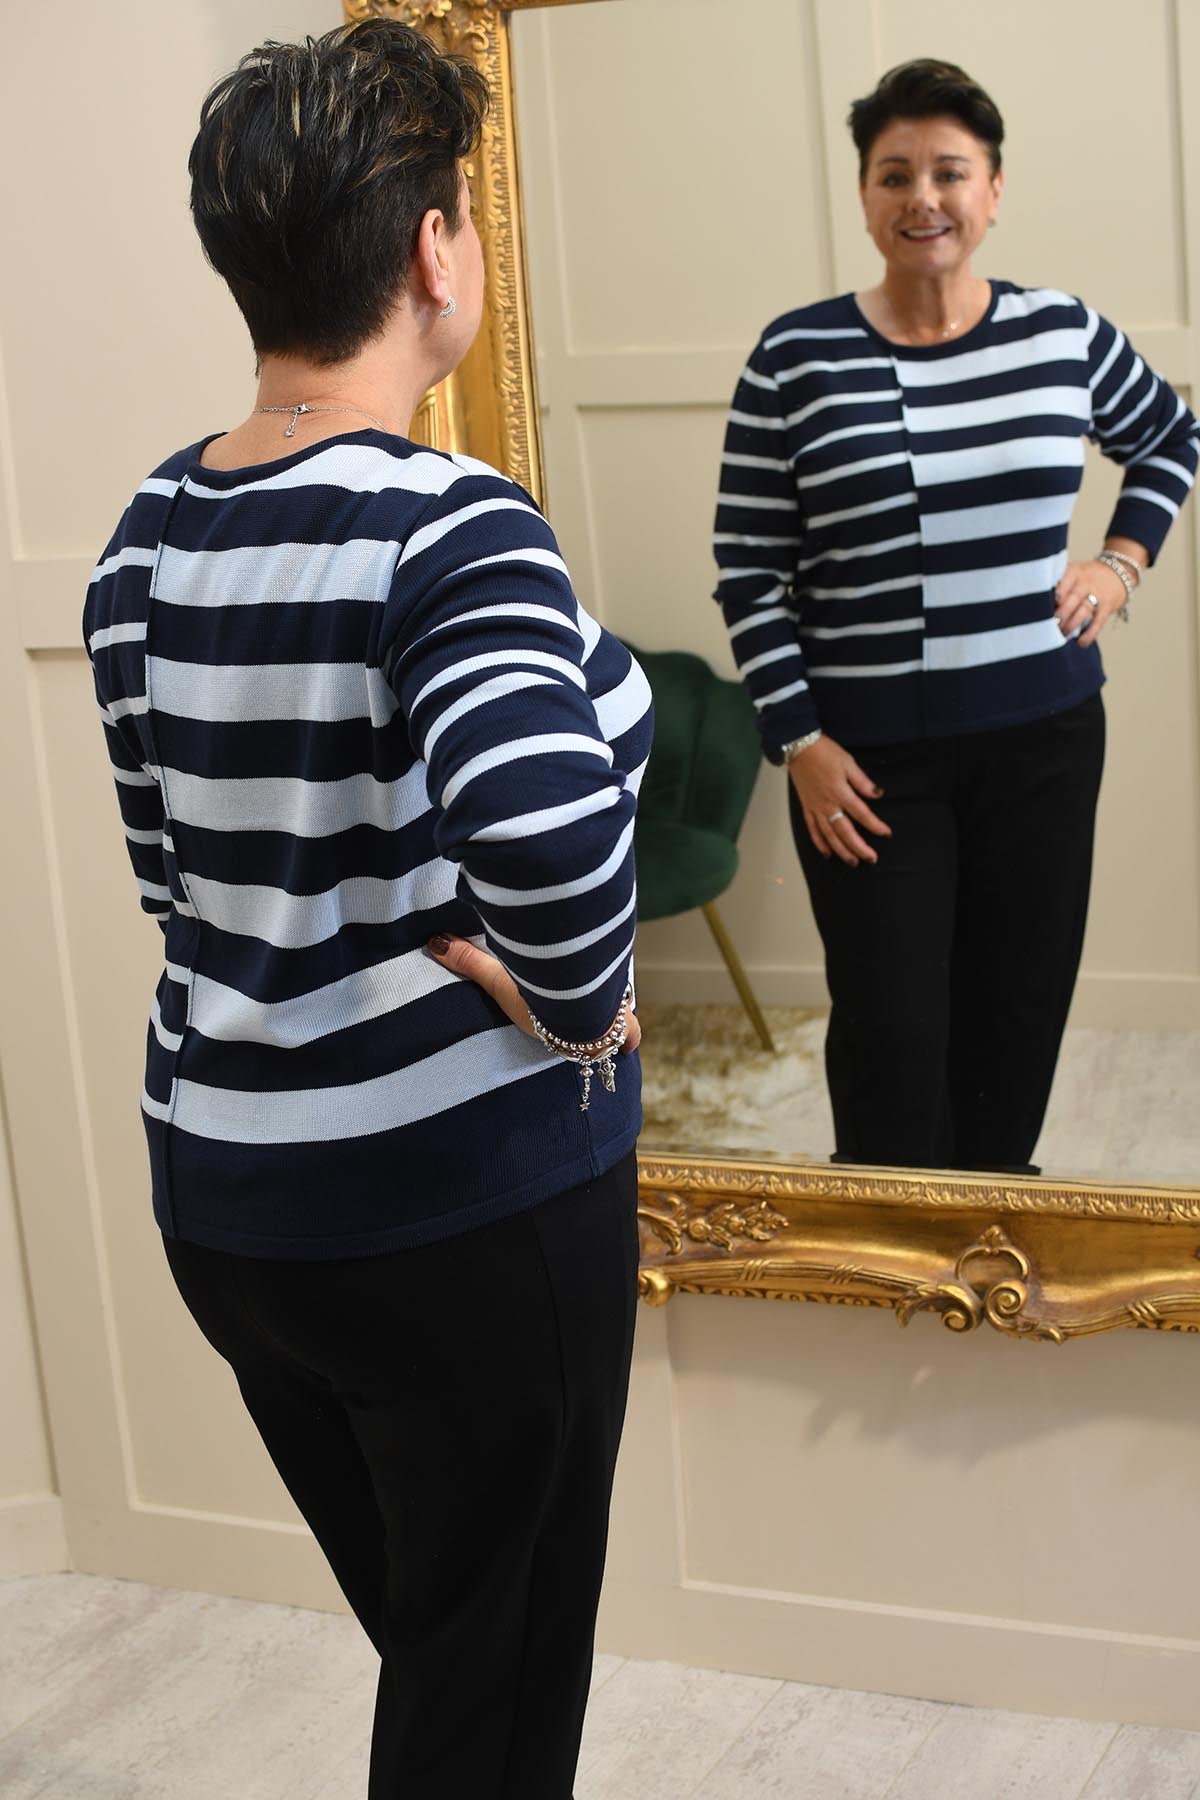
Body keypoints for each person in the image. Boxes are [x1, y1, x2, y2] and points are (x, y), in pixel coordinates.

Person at [83, 21, 651, 1797]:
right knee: (489, 1702)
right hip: (454, 1219)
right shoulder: (447, 525)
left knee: (445, 1645)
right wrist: (580, 1005)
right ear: (433, 247)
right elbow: (551, 846)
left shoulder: (144, 534)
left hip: (235, 1212)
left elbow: (178, 884)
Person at [714, 57, 1198, 1173]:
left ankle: (990, 1230)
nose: (922, 197)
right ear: (863, 195)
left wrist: (1120, 564)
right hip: (865, 769)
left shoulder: (1061, 332)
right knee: (891, 1034)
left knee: (1015, 1015)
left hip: (1044, 744)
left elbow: (1170, 437)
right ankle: (887, 1242)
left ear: (994, 190)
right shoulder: (796, 357)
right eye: (895, 174)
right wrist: (798, 744)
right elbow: (748, 567)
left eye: (949, 171)